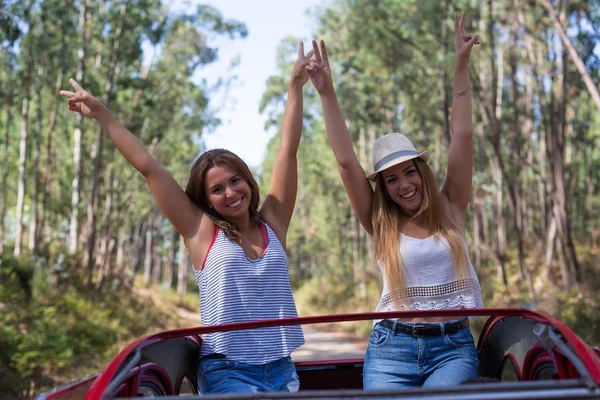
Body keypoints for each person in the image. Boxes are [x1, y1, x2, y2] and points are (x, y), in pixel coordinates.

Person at [60, 42, 314, 394]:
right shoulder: (201, 231)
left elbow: (288, 148)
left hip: (282, 369)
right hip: (228, 372)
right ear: (205, 199)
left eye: (235, 181)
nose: (231, 193)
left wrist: (294, 88)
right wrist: (104, 115)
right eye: (217, 189)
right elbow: (149, 168)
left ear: (248, 181)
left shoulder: (274, 221)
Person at [305, 13, 483, 389]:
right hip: (390, 351)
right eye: (391, 178)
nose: (404, 184)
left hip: (452, 348)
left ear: (423, 171)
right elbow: (345, 161)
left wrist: (461, 65)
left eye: (410, 172)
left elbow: (463, 136)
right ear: (383, 187)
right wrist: (326, 93)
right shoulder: (380, 222)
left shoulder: (451, 206)